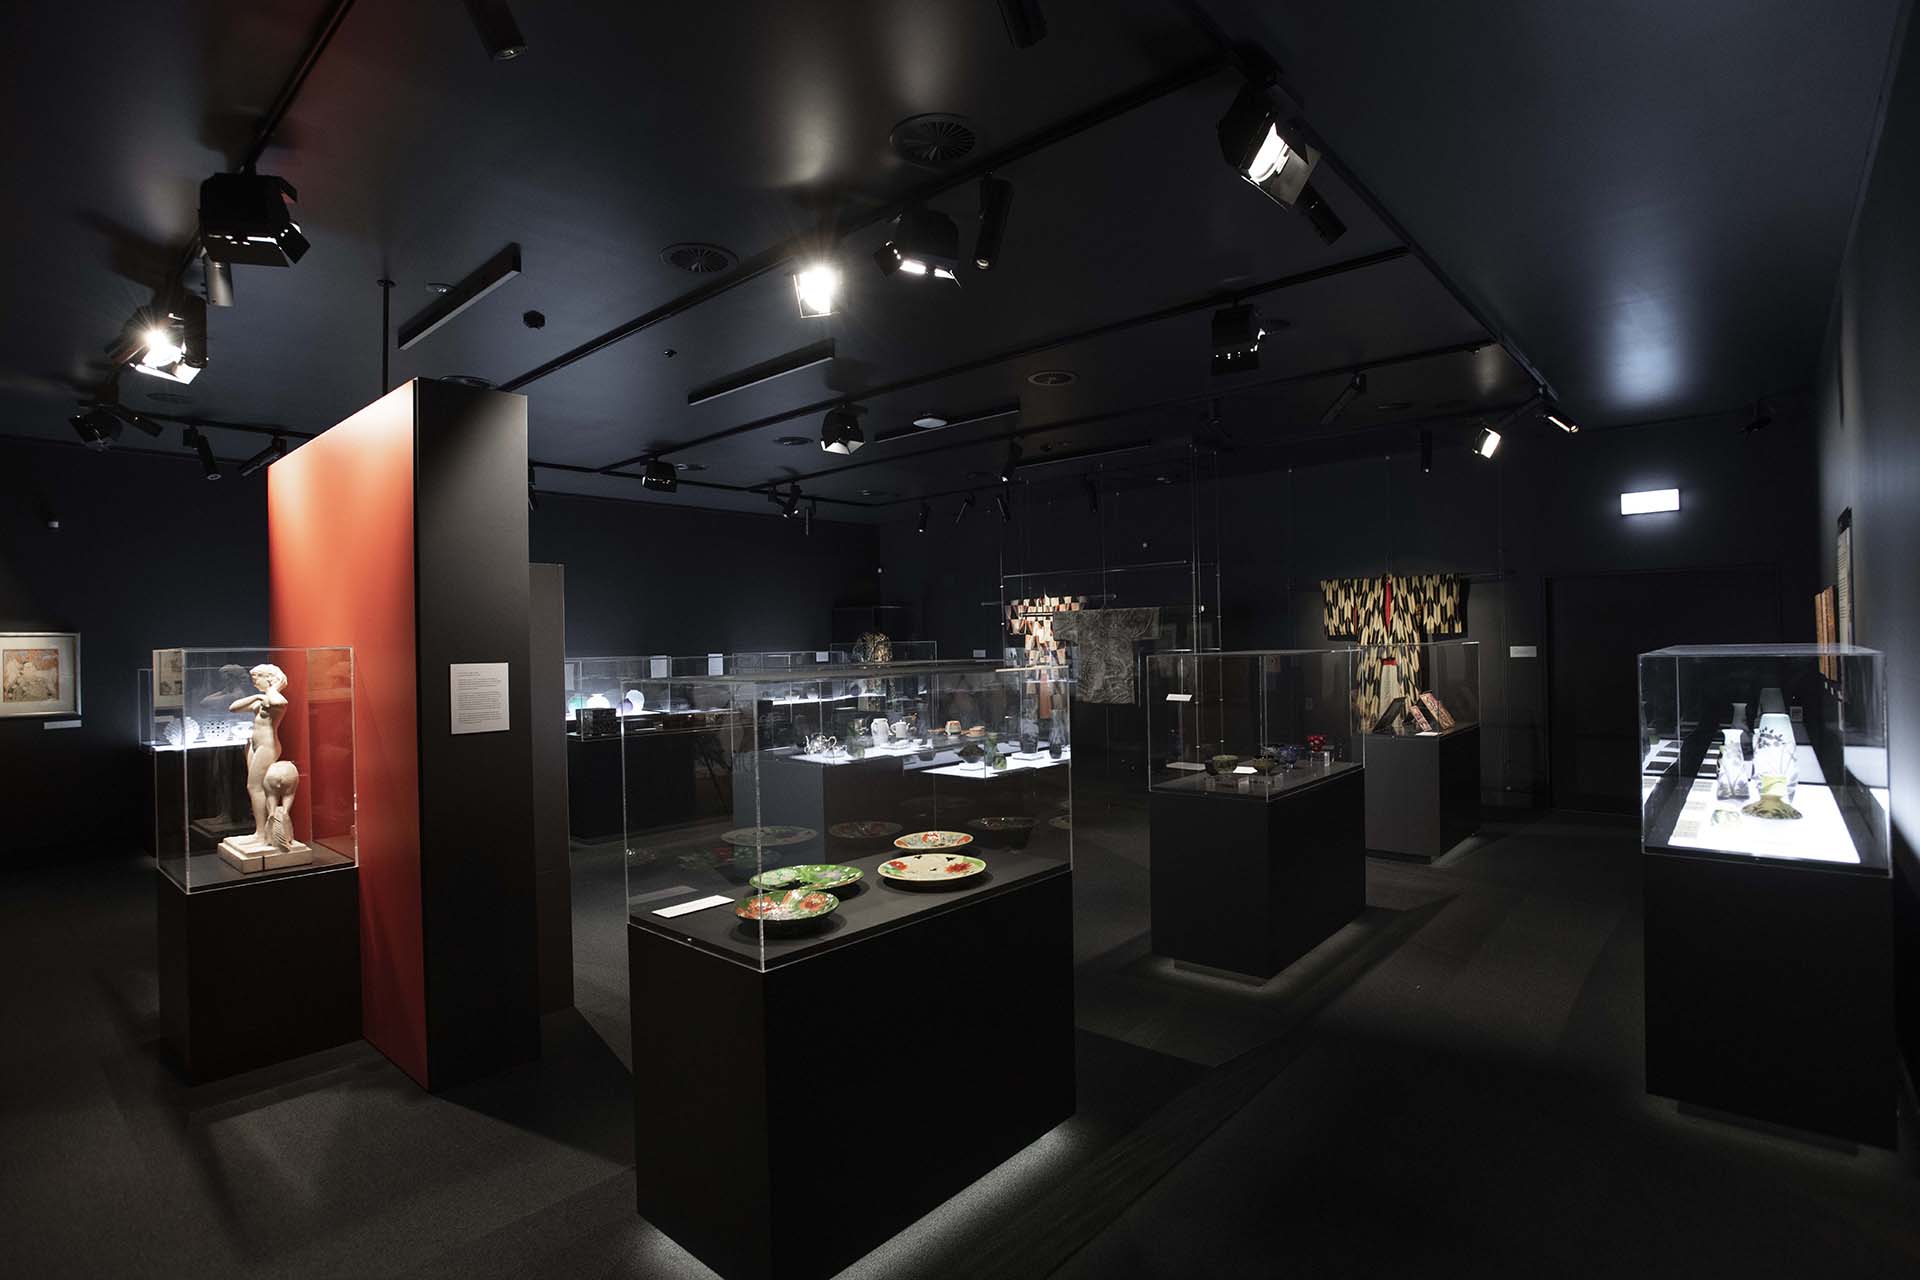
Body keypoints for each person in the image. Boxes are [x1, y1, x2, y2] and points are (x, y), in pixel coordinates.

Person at [229, 664, 290, 846]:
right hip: (255, 745)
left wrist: (274, 688)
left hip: (267, 746)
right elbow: (233, 708)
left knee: (255, 787)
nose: (254, 682)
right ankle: (260, 831)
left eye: (257, 677)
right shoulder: (261, 700)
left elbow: (278, 703)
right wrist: (257, 696)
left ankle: (261, 834)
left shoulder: (276, 698)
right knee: (254, 787)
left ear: (269, 678)